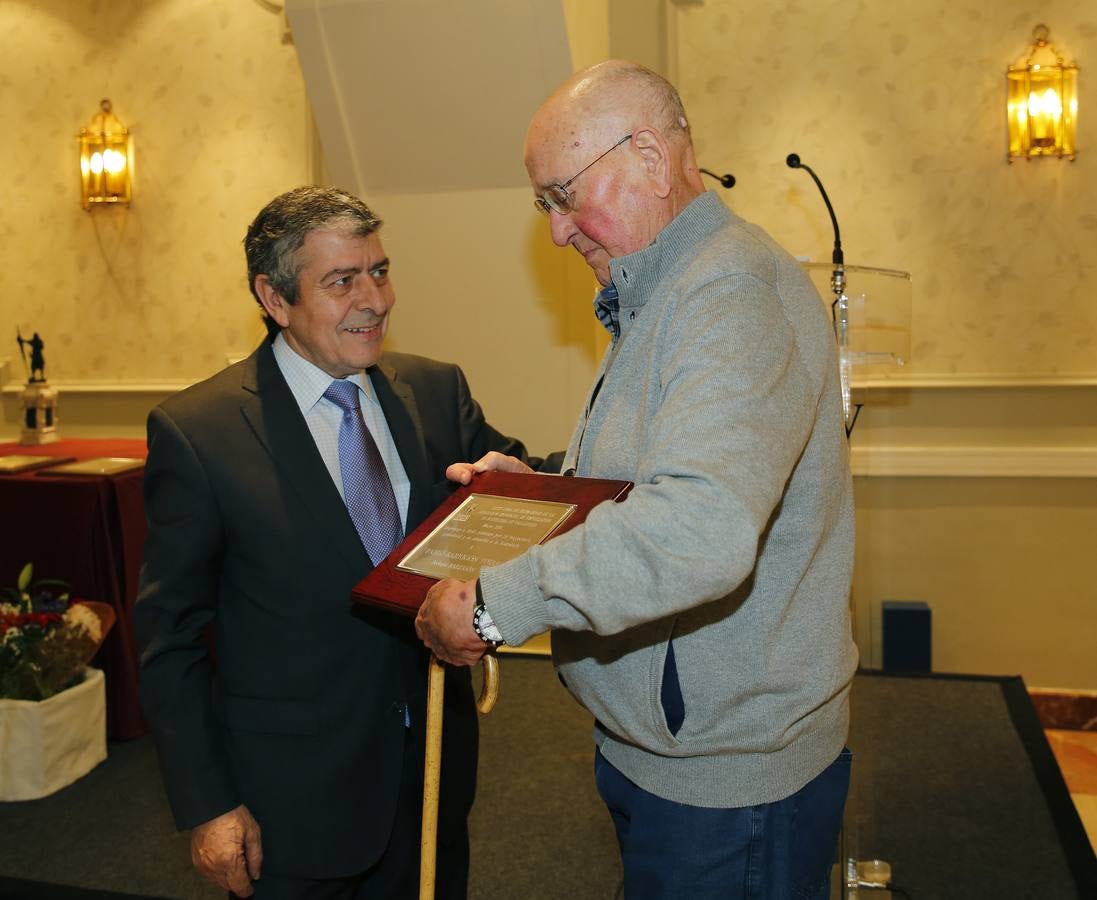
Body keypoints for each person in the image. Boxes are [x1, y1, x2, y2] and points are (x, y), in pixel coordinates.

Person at [415, 61, 859, 899]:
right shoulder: (668, 288)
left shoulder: (724, 292)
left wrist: (488, 604)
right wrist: (541, 487)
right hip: (672, 754)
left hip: (727, 785)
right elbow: (657, 478)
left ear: (652, 158)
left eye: (562, 195)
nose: (554, 231)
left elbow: (698, 529)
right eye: (541, 203)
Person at [136, 186, 531, 899]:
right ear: (274, 296)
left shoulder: (437, 391)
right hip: (294, 800)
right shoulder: (200, 434)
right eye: (342, 281)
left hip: (432, 770)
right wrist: (208, 805)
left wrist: (518, 482)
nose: (374, 299)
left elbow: (509, 489)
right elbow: (170, 639)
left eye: (378, 271)